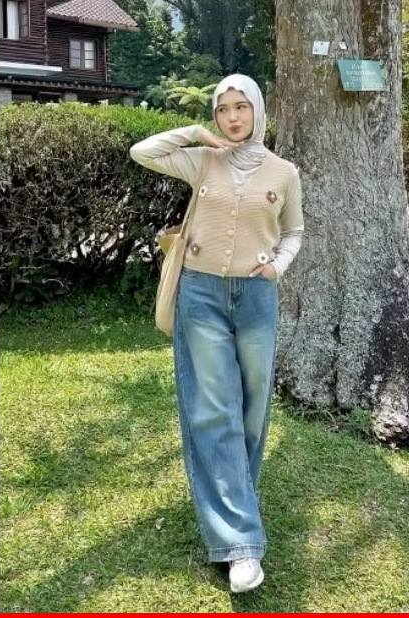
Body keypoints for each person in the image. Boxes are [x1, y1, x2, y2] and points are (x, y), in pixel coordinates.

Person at [130, 73, 304, 593]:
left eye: (240, 107)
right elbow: (143, 151)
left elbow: (294, 231)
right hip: (200, 294)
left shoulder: (284, 172)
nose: (232, 117)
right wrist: (195, 133)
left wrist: (278, 265)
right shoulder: (204, 160)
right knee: (214, 407)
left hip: (256, 298)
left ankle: (235, 494)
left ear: (257, 111)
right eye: (223, 109)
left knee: (252, 403)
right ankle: (241, 544)